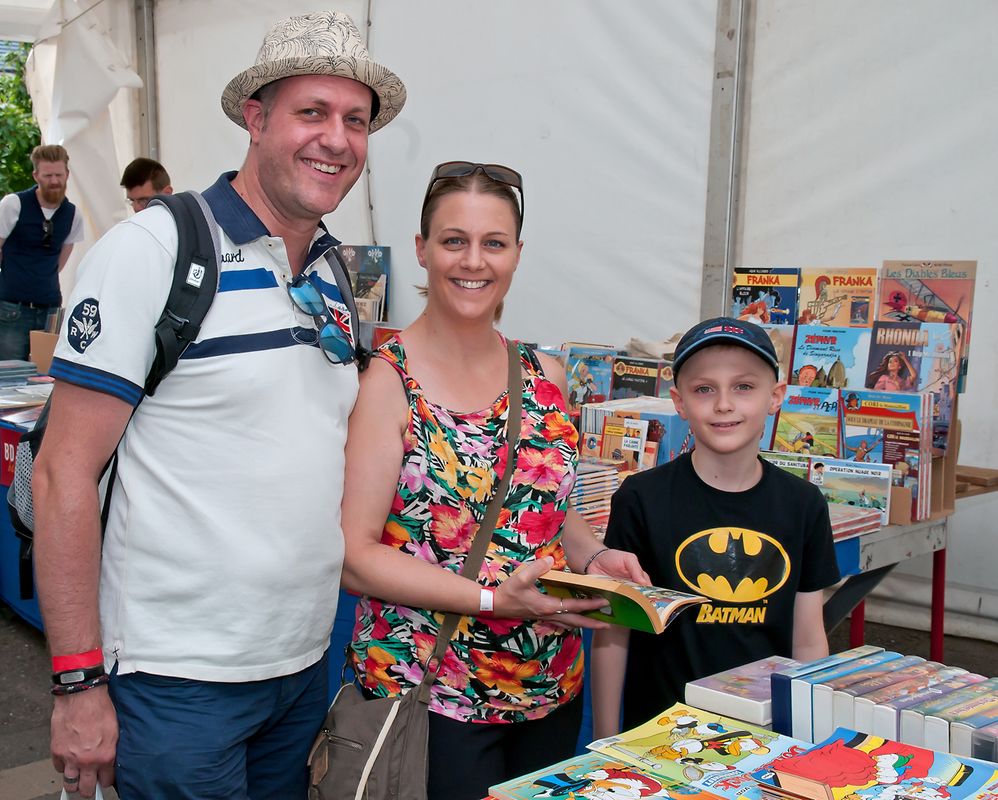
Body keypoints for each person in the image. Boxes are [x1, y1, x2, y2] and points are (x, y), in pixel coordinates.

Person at [31, 12, 406, 799]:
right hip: (177, 680)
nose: (336, 139)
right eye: (312, 112)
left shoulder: (332, 272)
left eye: (355, 121)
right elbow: (63, 475)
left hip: (298, 667)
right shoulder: (153, 252)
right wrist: (77, 683)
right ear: (256, 119)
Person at [340, 161, 649, 800]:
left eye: (494, 243)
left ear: (517, 254)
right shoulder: (386, 383)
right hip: (433, 695)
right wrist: (489, 600)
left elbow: (539, 505)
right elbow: (356, 557)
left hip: (550, 686)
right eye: (454, 240)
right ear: (422, 249)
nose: (473, 261)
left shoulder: (543, 375)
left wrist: (595, 556)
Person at [591, 317, 840, 738]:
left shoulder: (803, 504)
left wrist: (810, 738)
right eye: (704, 389)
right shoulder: (642, 498)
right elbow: (615, 631)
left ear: (775, 397)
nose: (724, 404)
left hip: (765, 731)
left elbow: (809, 639)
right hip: (657, 732)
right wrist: (604, 736)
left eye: (743, 386)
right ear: (679, 402)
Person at [0, 144, 84, 360]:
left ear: (67, 174)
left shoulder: (73, 215)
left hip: (50, 308)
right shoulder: (13, 204)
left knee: (46, 370)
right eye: (48, 175)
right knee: (10, 372)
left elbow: (60, 262)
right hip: (11, 308)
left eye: (59, 175)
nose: (54, 181)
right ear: (36, 175)